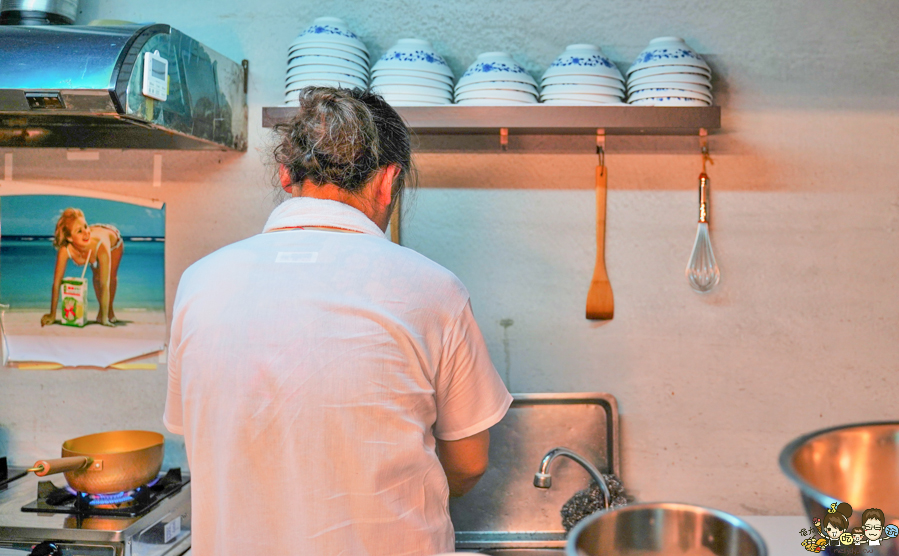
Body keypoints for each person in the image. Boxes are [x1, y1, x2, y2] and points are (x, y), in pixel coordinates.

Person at [163, 87, 512, 556]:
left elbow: (205, 436)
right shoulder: (434, 290)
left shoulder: (200, 282)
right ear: (388, 181)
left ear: (286, 174)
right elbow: (469, 463)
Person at [41, 208, 124, 327]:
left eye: (86, 226)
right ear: (69, 238)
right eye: (79, 231)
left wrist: (105, 320)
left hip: (113, 241)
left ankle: (107, 312)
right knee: (96, 277)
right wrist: (52, 314)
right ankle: (104, 311)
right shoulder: (65, 250)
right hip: (92, 237)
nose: (86, 232)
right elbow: (56, 283)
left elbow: (104, 285)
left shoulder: (101, 246)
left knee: (108, 277)